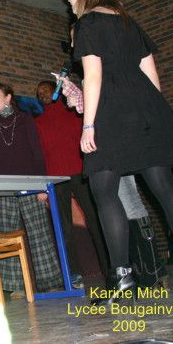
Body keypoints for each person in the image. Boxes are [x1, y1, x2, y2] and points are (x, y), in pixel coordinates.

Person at [63, 0, 173, 299]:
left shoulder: (88, 24)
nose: (68, 0)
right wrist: (154, 118)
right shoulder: (128, 21)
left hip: (113, 114)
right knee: (165, 189)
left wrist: (89, 125)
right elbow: (152, 77)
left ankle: (122, 278)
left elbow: (93, 77)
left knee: (104, 192)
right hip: (149, 111)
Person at [58, 72, 168, 287]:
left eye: (74, 38)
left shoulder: (103, 73)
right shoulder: (104, 71)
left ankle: (146, 270)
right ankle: (146, 269)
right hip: (115, 145)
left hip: (115, 147)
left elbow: (104, 106)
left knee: (125, 205)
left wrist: (76, 95)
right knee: (128, 205)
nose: (73, 46)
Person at [0, 83, 63, 295]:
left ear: (9, 97)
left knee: (40, 233)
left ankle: (50, 283)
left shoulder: (26, 120)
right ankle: (15, 287)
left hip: (30, 184)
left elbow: (37, 152)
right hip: (4, 188)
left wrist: (41, 185)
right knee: (8, 236)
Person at [34, 80, 109, 287]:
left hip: (80, 172)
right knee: (63, 227)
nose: (42, 94)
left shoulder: (75, 113)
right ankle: (74, 274)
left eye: (46, 90)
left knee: (94, 220)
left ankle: (109, 267)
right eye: (39, 92)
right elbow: (39, 155)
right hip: (56, 179)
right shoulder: (38, 122)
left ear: (56, 90)